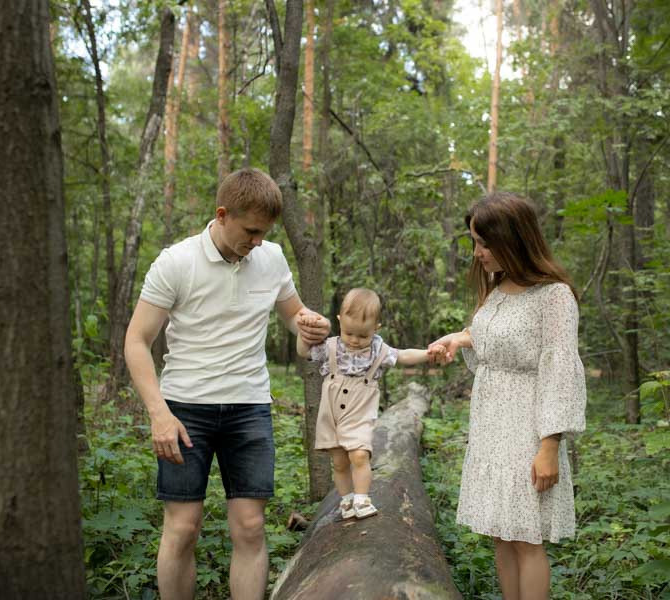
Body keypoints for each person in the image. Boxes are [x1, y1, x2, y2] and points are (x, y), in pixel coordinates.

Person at [124, 168, 331, 600]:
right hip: (184, 409)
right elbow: (136, 340)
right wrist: (159, 414)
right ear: (222, 215)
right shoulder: (177, 261)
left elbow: (295, 315)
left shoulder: (271, 257)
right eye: (251, 231)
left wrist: (308, 326)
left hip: (249, 406)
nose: (258, 241)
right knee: (182, 528)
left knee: (251, 527)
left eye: (264, 233)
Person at [427, 192, 587, 600]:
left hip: (527, 429)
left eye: (484, 243)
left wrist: (549, 444)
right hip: (490, 425)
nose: (477, 252)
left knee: (527, 538)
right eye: (474, 242)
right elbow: (492, 340)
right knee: (501, 532)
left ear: (513, 240)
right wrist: (460, 339)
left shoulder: (554, 296)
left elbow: (560, 369)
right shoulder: (500, 288)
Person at [297, 287, 444, 520]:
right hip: (331, 414)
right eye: (349, 333)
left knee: (359, 455)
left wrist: (428, 353)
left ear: (376, 329)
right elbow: (304, 352)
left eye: (363, 336)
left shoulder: (379, 351)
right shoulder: (331, 347)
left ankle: (362, 498)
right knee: (338, 461)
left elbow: (403, 355)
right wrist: (302, 332)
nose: (355, 341)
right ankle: (346, 500)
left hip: (359, 412)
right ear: (339, 322)